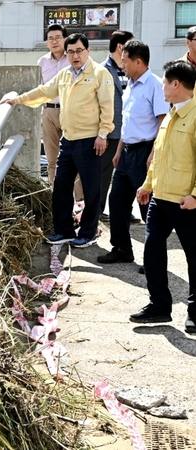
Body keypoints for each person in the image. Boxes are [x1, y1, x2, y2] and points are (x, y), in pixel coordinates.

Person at [4, 33, 115, 248]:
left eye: (79, 51)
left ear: (88, 51)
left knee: (92, 190)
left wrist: (103, 135)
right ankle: (63, 230)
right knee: (61, 187)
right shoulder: (64, 75)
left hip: (91, 140)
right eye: (71, 52)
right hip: (69, 140)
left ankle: (88, 233)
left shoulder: (100, 74)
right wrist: (18, 100)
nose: (75, 55)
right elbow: (45, 91)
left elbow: (107, 107)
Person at [130, 60, 196, 334]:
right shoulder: (170, 114)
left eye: (165, 83)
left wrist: (195, 196)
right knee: (152, 252)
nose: (163, 88)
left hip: (186, 202)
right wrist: (147, 185)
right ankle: (159, 306)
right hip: (160, 197)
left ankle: (195, 313)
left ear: (176, 84)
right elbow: (159, 156)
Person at [97, 40, 169, 265]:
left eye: (125, 60)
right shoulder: (131, 85)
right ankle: (121, 249)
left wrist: (153, 155)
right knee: (117, 201)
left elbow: (162, 122)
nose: (122, 64)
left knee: (147, 205)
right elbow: (127, 123)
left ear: (139, 61)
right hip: (126, 152)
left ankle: (153, 258)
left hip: (145, 152)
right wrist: (119, 150)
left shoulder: (154, 85)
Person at [99, 30, 134, 219]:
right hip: (110, 132)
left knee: (126, 176)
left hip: (129, 132)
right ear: (121, 47)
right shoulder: (103, 70)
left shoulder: (130, 70)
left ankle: (125, 212)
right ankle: (97, 212)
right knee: (104, 175)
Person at [38, 24, 70, 186]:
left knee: (73, 157)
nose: (54, 41)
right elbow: (39, 88)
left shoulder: (72, 59)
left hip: (69, 111)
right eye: (51, 38)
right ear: (46, 42)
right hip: (49, 111)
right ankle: (53, 193)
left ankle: (78, 201)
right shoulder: (42, 62)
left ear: (65, 39)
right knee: (51, 158)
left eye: (58, 37)